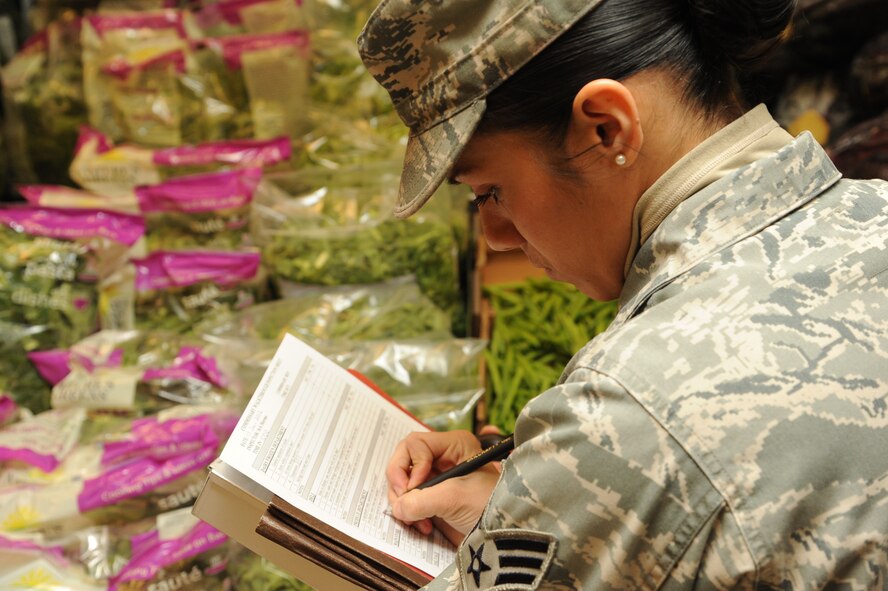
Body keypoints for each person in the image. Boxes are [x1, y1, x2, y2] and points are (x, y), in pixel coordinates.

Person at [357, 0, 888, 588]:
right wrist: (559, 512)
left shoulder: (629, 411)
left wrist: (575, 482)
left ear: (606, 127)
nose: (496, 238)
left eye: (490, 192)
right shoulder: (877, 212)